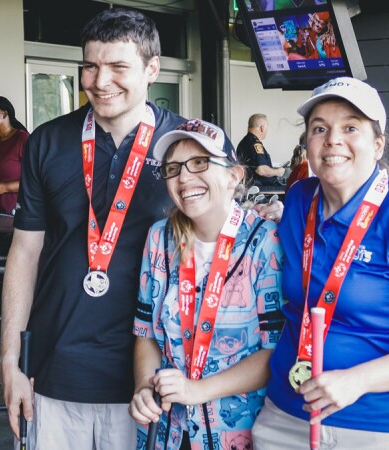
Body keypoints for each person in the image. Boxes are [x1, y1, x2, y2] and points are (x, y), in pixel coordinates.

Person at [0, 9, 188, 449]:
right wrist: (10, 361)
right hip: (54, 368)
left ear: (151, 69)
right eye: (90, 66)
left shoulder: (186, 145)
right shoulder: (46, 141)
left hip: (152, 380)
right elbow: (25, 252)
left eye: (119, 67)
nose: (100, 81)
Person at [252, 77, 389, 449]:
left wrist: (357, 380)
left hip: (381, 424)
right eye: (320, 128)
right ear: (308, 144)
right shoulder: (300, 200)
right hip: (286, 416)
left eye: (351, 127)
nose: (333, 139)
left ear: (378, 144)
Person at [129, 119, 284, 450]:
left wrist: (196, 390)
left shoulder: (265, 241)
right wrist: (144, 387)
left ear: (233, 176)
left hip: (238, 432)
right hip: (166, 430)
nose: (184, 177)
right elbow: (146, 335)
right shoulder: (160, 238)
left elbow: (275, 351)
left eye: (200, 163)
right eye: (173, 169)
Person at [236, 114, 285, 187]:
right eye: (267, 127)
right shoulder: (254, 143)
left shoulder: (247, 141)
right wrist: (277, 172)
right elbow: (261, 170)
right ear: (262, 128)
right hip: (260, 190)